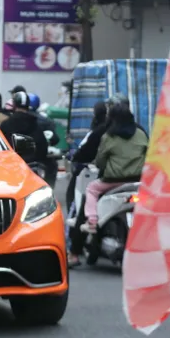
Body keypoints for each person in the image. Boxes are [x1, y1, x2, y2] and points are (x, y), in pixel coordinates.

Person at [83, 95, 148, 234]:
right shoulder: (141, 134)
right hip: (138, 180)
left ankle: (92, 221)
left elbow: (100, 162)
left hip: (113, 181)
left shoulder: (108, 136)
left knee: (91, 189)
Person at [66, 101, 108, 267]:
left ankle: (74, 252)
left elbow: (99, 159)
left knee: (86, 202)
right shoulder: (139, 132)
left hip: (109, 179)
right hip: (135, 180)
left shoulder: (104, 133)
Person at [0, 91, 49, 163]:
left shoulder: (6, 124)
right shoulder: (34, 124)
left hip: (11, 163)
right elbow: (43, 149)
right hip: (32, 164)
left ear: (14, 105)